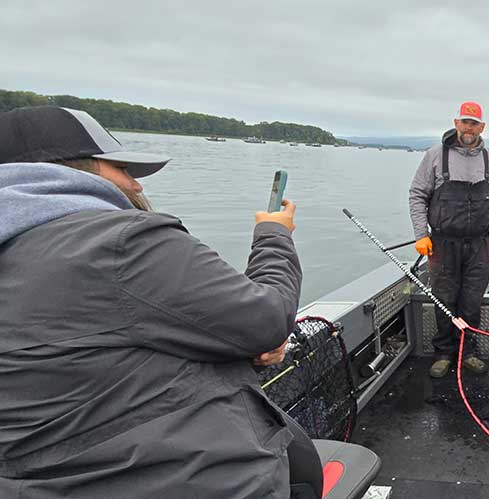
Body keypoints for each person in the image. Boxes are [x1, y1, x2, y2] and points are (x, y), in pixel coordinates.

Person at [0, 106, 320, 499]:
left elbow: (85, 353)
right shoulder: (120, 241)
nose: (136, 186)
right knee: (304, 465)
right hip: (181, 479)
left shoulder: (21, 245)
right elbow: (268, 318)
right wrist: (274, 234)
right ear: (74, 169)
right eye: (124, 169)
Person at [409, 101, 489, 378]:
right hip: (442, 243)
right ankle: (443, 352)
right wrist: (421, 235)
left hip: (479, 244)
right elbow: (417, 195)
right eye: (465, 121)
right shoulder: (435, 155)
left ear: (482, 127)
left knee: (471, 301)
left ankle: (468, 352)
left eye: (474, 123)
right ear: (456, 123)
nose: (469, 127)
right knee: (444, 299)